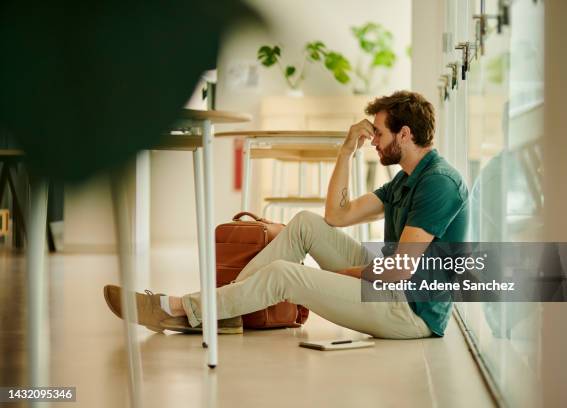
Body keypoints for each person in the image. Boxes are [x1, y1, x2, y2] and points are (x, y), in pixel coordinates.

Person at [104, 90, 468, 339]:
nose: (373, 140)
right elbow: (337, 216)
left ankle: (180, 307)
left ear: (404, 134)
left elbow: (400, 270)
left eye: (379, 133)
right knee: (306, 223)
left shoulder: (438, 182)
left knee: (285, 275)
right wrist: (345, 151)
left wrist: (340, 276)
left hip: (410, 311)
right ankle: (221, 310)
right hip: (390, 284)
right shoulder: (405, 180)